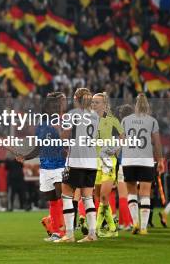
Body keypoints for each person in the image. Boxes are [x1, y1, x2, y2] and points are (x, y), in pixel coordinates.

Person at [18, 92, 67, 241]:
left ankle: (64, 231)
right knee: (52, 199)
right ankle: (55, 230)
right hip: (45, 166)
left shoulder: (65, 121)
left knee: (62, 198)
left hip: (60, 165)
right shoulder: (42, 125)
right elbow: (39, 147)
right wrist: (25, 157)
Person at [55, 88, 100, 243]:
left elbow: (66, 135)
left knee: (66, 195)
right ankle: (92, 234)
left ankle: (69, 234)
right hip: (92, 162)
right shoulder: (95, 116)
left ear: (76, 98)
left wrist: (58, 133)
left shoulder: (72, 114)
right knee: (88, 198)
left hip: (76, 160)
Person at [121, 94, 164, 235]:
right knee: (145, 193)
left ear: (135, 105)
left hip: (129, 160)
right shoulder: (152, 121)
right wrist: (161, 160)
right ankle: (144, 228)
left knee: (132, 192)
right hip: (146, 161)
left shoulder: (126, 120)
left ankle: (135, 223)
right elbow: (157, 143)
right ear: (148, 106)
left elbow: (122, 141)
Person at [92, 92, 124, 238]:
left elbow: (123, 137)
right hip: (94, 161)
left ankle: (97, 229)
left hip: (108, 160)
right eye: (92, 102)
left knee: (104, 196)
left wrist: (115, 149)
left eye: (96, 102)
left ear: (104, 104)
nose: (93, 104)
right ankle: (112, 228)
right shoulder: (89, 120)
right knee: (98, 196)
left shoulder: (112, 120)